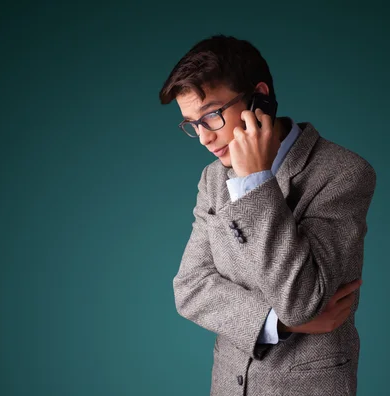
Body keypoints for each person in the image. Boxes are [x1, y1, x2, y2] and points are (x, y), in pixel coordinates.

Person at [160, 35, 376, 396]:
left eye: (212, 115)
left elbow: (300, 302)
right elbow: (190, 287)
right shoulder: (213, 179)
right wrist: (278, 323)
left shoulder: (343, 174)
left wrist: (253, 182)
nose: (204, 138)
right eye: (191, 124)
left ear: (260, 96)